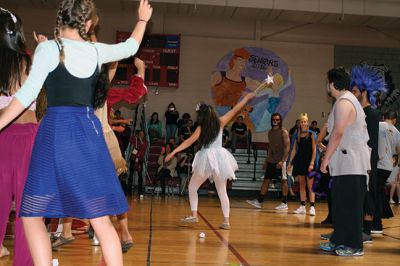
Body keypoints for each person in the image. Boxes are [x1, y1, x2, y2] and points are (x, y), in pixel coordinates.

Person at [0, 1, 153, 265]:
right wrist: (141, 20)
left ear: (61, 20)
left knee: (32, 213)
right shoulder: (96, 50)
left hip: (55, 133)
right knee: (101, 219)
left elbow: (26, 96)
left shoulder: (49, 49)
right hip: (86, 132)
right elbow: (130, 47)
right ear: (89, 24)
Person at [165, 92, 256, 230]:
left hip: (206, 158)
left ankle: (194, 215)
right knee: (222, 191)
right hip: (220, 158)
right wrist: (247, 98)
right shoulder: (221, 122)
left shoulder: (201, 128)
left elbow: (188, 142)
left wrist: (173, 152)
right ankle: (226, 221)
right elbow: (236, 109)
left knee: (192, 187)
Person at [319, 67, 370, 256]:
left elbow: (338, 133)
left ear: (332, 83)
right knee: (340, 204)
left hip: (353, 163)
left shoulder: (345, 102)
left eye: (327, 82)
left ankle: (355, 245)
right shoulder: (343, 101)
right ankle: (339, 239)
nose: (327, 85)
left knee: (350, 206)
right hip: (344, 164)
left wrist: (325, 159)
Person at [0, 8, 37, 266]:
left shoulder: (23, 61)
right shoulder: (26, 60)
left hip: (13, 136)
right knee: (28, 210)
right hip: (23, 138)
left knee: (26, 210)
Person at [350, 64, 385, 242]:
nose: (353, 94)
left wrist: (368, 165)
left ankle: (367, 232)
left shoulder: (370, 113)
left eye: (355, 91)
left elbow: (370, 142)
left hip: (368, 161)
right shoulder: (362, 112)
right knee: (362, 195)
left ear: (363, 92)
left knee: (368, 195)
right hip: (361, 160)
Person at [246, 113, 290, 210]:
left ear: (280, 120)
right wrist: (266, 161)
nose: (275, 121)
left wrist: (282, 161)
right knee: (266, 179)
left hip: (281, 161)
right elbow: (270, 147)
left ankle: (284, 203)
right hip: (272, 160)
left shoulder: (284, 132)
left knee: (283, 181)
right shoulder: (270, 132)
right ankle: (259, 201)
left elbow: (287, 148)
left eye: (277, 120)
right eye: (274, 119)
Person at [373, 111, 400, 233]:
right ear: (394, 120)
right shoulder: (397, 132)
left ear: (384, 117)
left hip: (378, 164)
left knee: (376, 193)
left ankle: (377, 223)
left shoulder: (378, 125)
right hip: (388, 166)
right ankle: (384, 214)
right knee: (379, 191)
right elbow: (398, 150)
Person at [288, 113, 317, 215]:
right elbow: (294, 150)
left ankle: (312, 207)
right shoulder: (297, 135)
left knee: (310, 185)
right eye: (302, 122)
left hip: (309, 162)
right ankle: (303, 206)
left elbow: (314, 150)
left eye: (305, 121)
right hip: (300, 161)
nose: (304, 123)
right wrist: (290, 162)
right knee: (302, 185)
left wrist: (312, 163)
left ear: (307, 123)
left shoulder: (312, 134)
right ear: (299, 123)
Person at [129, 129, 148, 196]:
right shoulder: (135, 139)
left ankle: (140, 191)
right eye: (140, 134)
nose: (141, 135)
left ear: (144, 135)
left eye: (142, 134)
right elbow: (130, 140)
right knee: (131, 174)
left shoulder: (145, 142)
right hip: (133, 159)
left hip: (140, 160)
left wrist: (140, 140)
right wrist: (135, 135)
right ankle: (129, 190)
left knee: (140, 175)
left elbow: (143, 147)